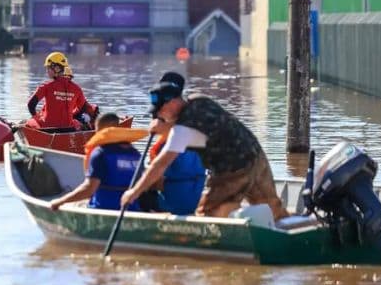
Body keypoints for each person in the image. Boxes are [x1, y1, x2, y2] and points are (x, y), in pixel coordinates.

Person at [121, 78, 289, 220]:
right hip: (255, 155)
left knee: (206, 214)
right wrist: (167, 125)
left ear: (171, 103)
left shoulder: (181, 132)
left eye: (160, 112)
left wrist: (134, 192)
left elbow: (160, 165)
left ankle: (230, 239)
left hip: (233, 169)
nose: (159, 116)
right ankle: (293, 229)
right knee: (272, 208)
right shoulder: (199, 99)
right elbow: (195, 123)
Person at [139, 71, 207, 215]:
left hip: (175, 201)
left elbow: (158, 175)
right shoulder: (195, 129)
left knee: (140, 192)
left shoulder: (173, 139)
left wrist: (138, 188)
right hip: (195, 191)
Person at [50, 113, 145, 211]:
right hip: (131, 208)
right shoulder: (135, 154)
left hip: (103, 208)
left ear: (99, 130)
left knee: (76, 204)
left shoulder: (101, 153)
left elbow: (89, 189)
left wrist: (60, 201)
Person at [26, 52, 93, 132]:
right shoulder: (77, 88)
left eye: (48, 68)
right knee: (76, 122)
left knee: (28, 122)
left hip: (48, 128)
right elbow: (81, 107)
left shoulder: (46, 86)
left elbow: (30, 105)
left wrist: (36, 117)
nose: (47, 71)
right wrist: (71, 114)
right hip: (69, 128)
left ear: (57, 68)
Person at [62, 65, 99, 130]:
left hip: (81, 115)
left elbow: (81, 106)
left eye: (68, 77)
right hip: (70, 116)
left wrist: (71, 114)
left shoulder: (76, 89)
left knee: (85, 119)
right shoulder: (58, 89)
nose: (66, 80)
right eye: (64, 77)